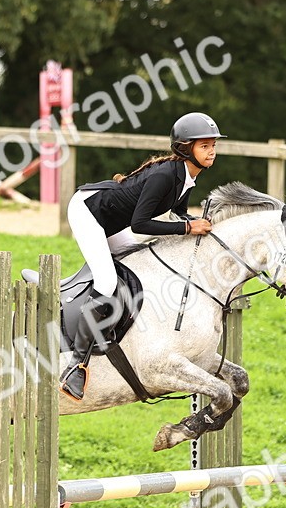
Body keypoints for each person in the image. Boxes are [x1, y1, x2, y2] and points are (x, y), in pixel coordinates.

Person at [59, 111, 226, 401]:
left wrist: (197, 222)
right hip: (88, 212)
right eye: (204, 146)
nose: (211, 151)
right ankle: (76, 364)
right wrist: (187, 227)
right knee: (108, 282)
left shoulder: (187, 177)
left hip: (110, 220)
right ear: (186, 148)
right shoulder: (165, 175)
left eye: (213, 144)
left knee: (133, 268)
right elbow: (140, 224)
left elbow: (180, 213)